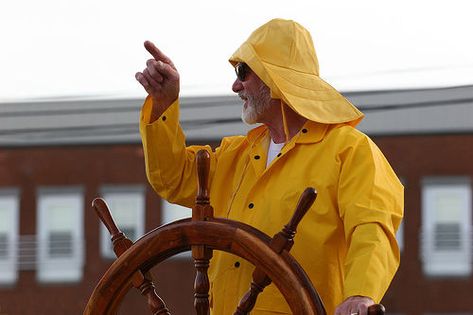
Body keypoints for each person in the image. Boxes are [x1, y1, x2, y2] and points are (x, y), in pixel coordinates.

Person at [136, 18, 403, 315]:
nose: (235, 85)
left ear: (274, 78)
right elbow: (173, 178)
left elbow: (372, 228)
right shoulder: (234, 155)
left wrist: (360, 294)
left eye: (243, 71)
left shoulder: (350, 151)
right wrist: (163, 104)